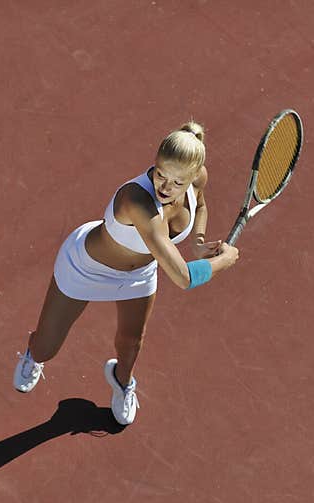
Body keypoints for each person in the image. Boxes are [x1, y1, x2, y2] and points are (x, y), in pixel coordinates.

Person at [13, 120, 240, 425]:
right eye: (160, 174)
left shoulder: (198, 178)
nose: (164, 187)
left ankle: (122, 383)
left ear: (192, 176)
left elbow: (200, 205)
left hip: (139, 274)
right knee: (46, 348)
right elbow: (183, 278)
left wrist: (198, 244)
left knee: (131, 341)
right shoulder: (137, 201)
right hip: (85, 268)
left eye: (176, 182)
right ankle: (33, 353)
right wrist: (224, 261)